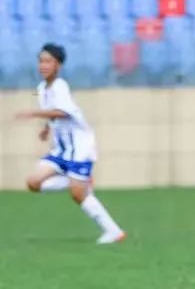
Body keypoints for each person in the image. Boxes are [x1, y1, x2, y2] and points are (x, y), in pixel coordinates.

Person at [16, 43, 126, 244]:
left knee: (77, 195)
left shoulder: (60, 86)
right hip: (62, 149)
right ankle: (79, 181)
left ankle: (114, 231)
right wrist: (46, 127)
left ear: (58, 65)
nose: (43, 65)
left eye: (48, 61)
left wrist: (33, 114)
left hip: (80, 147)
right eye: (41, 61)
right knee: (33, 182)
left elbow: (63, 111)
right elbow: (52, 112)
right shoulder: (41, 89)